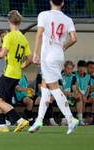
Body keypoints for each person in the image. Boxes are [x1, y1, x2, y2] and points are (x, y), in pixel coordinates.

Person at [28, 0, 78, 134]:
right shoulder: (67, 19)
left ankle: (70, 119)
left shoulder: (43, 15)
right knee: (45, 87)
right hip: (59, 56)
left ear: (50, 1)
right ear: (63, 3)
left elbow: (39, 34)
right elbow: (74, 38)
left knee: (54, 89)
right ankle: (39, 120)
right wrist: (65, 46)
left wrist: (35, 53)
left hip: (48, 57)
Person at [0, 10, 33, 132]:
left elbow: (2, 54)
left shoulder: (8, 36)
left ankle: (19, 120)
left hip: (9, 73)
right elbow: (30, 59)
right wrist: (21, 66)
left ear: (9, 22)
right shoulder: (23, 38)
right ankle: (2, 126)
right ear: (20, 23)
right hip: (16, 74)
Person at [59, 60, 84, 125]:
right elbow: (60, 90)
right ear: (64, 68)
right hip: (60, 96)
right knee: (64, 96)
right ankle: (63, 119)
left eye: (71, 69)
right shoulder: (60, 75)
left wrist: (75, 93)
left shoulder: (73, 75)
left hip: (69, 95)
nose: (69, 70)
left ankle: (80, 119)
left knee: (79, 97)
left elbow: (74, 88)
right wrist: (72, 94)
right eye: (68, 68)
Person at [74, 60, 94, 124]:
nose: (81, 69)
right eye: (80, 67)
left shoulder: (88, 77)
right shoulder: (74, 74)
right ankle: (81, 118)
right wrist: (83, 97)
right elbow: (76, 87)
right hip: (76, 94)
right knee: (81, 99)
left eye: (83, 67)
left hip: (85, 95)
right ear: (77, 68)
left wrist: (85, 96)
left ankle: (90, 118)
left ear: (85, 68)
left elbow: (88, 88)